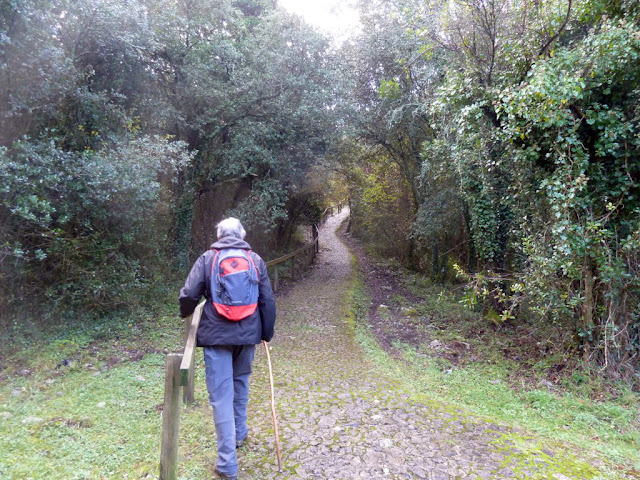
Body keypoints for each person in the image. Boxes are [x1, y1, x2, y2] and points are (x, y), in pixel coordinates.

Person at [179, 217, 276, 480]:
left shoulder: (208, 259)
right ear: (242, 235)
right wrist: (265, 332)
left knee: (221, 397)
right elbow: (267, 299)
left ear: (219, 235)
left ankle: (227, 464)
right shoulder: (255, 260)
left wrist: (185, 313)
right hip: (247, 334)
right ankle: (240, 433)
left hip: (216, 335)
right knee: (241, 383)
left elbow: (189, 295)